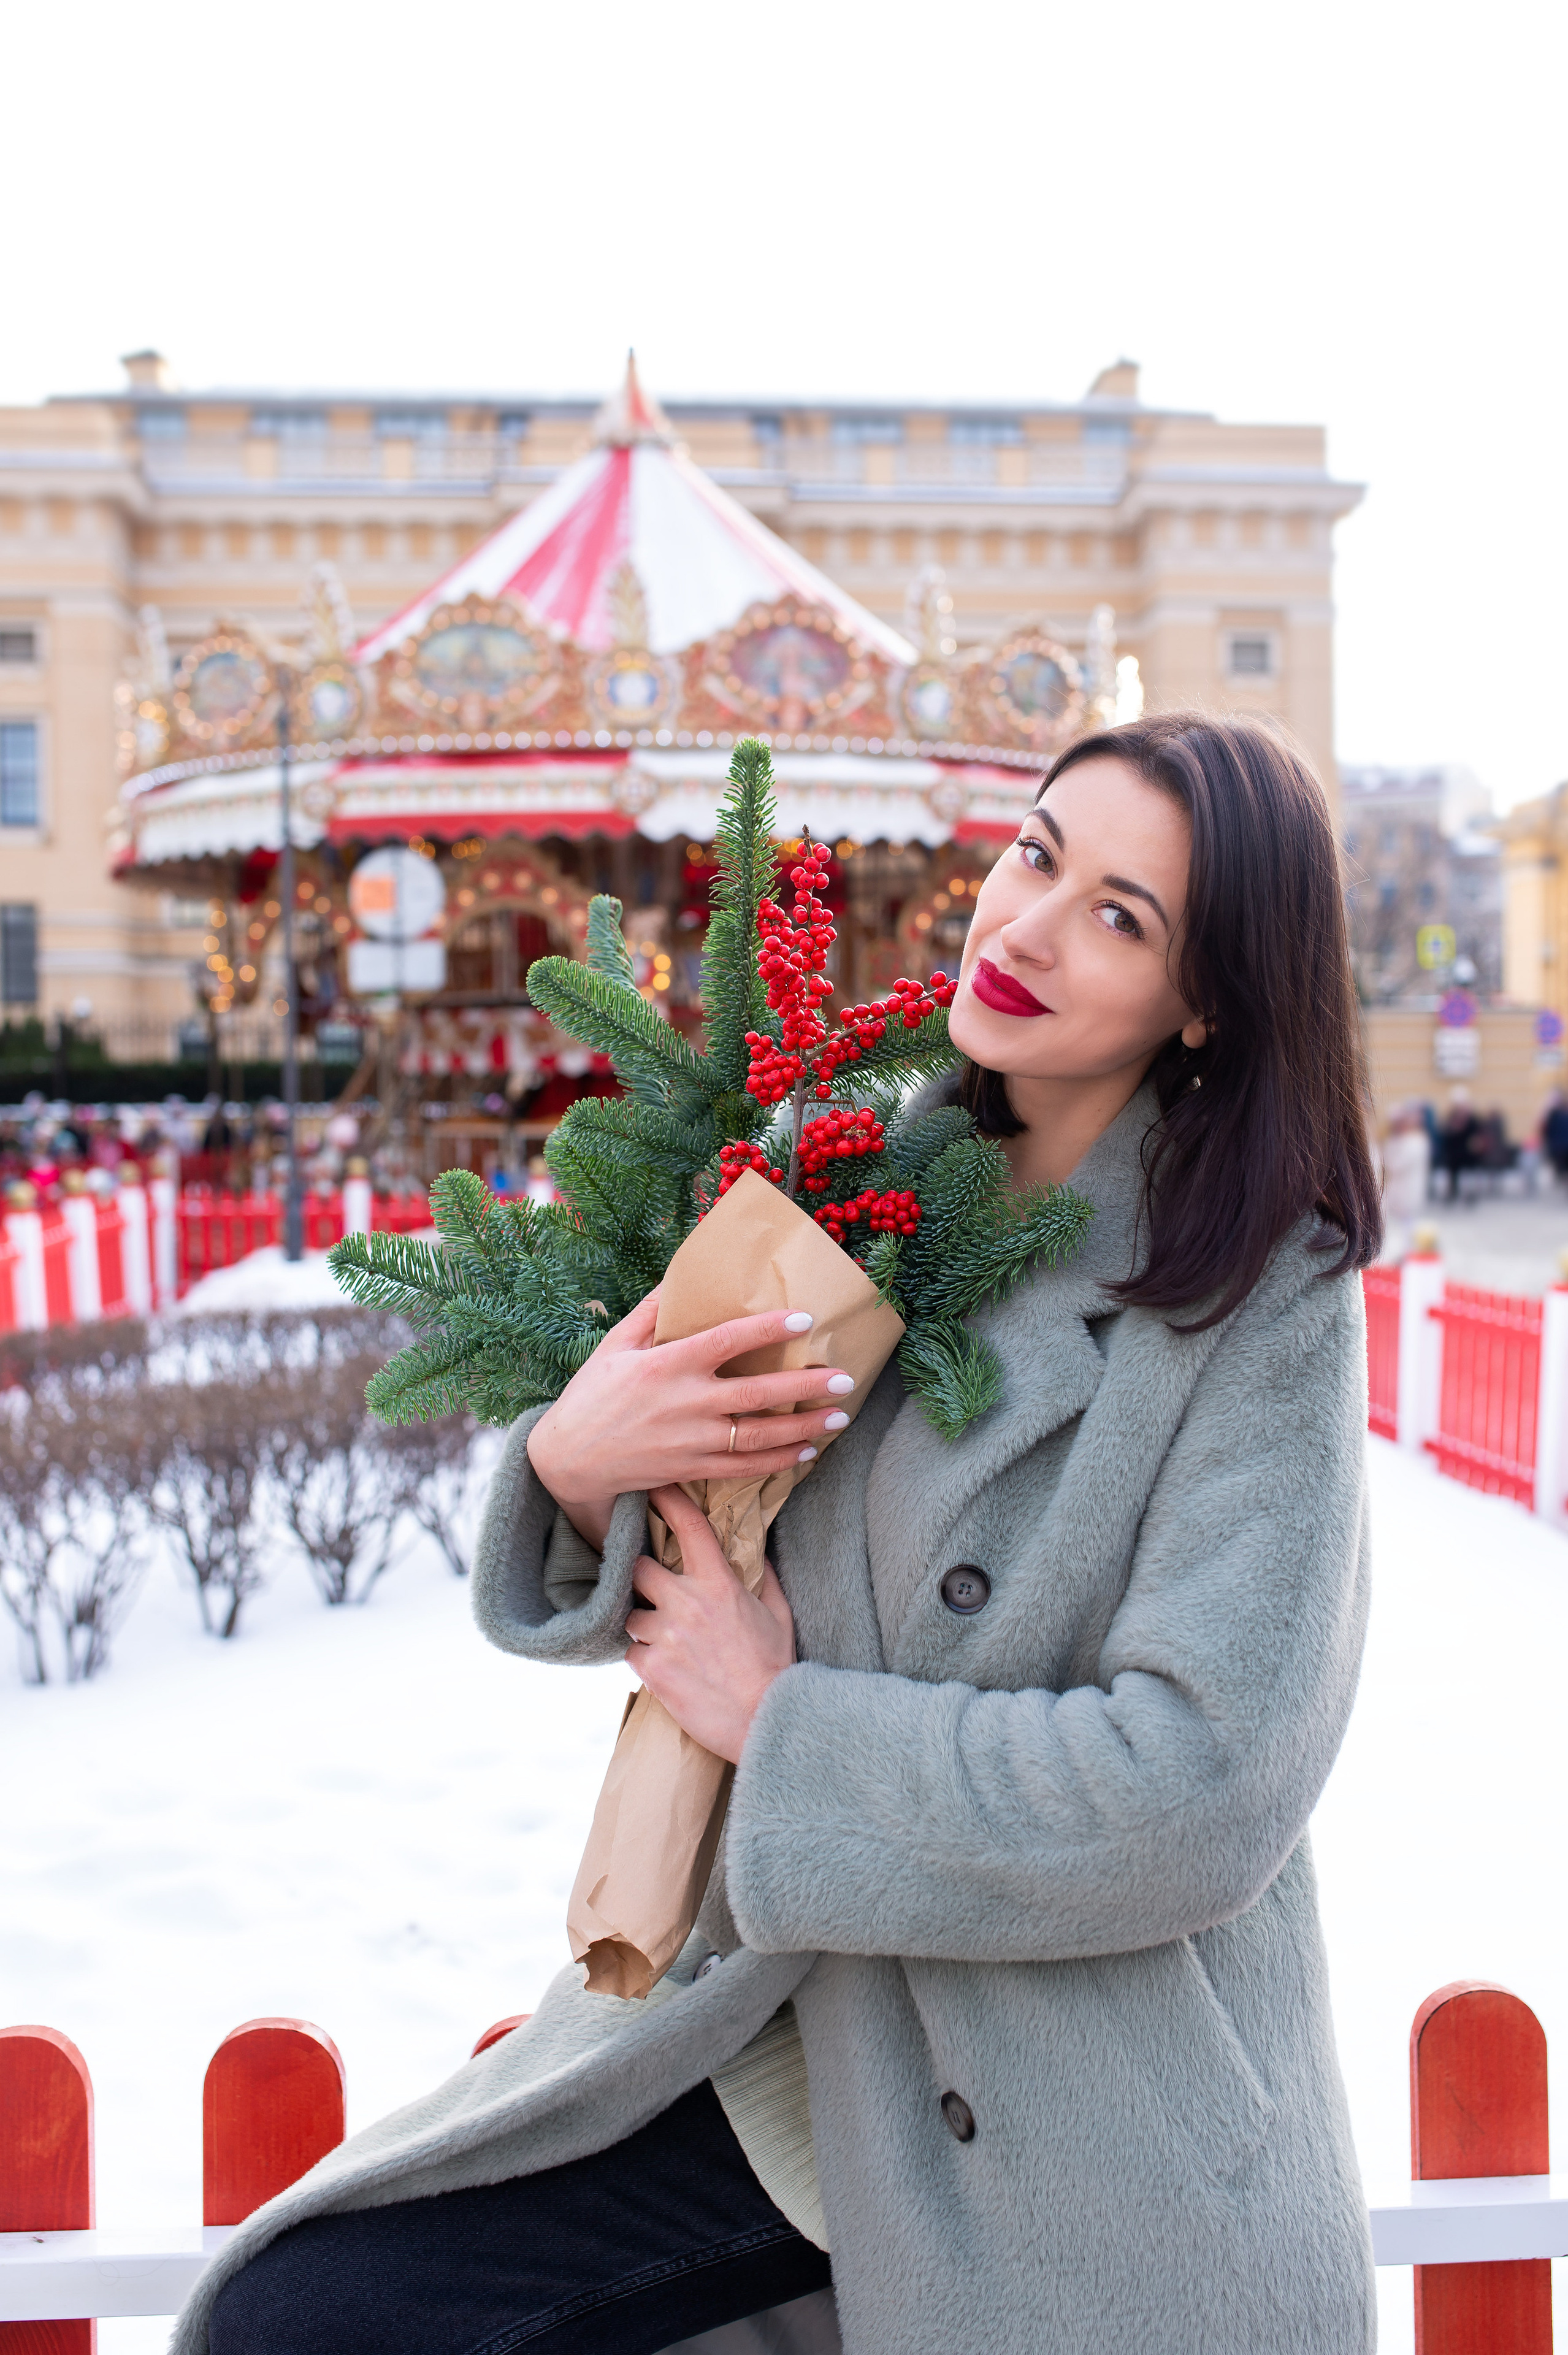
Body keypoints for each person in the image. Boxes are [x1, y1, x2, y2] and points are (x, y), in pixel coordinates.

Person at [189, 714, 1382, 2355]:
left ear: (1209, 999)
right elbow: (709, 1525)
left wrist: (787, 1730)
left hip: (1076, 2094)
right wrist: (586, 1462)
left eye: (1123, 914)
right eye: (1036, 855)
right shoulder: (845, 1191)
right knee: (306, 2318)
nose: (1026, 927)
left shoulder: (1259, 1295)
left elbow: (1206, 1786)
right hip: (779, 2024)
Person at [1380, 1100, 1431, 1255]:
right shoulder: (1394, 1141)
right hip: (1396, 1188)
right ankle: (1398, 1252)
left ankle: (1408, 1252)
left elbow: (1396, 1165)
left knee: (1409, 1223)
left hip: (1409, 1188)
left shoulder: (1416, 1142)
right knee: (1395, 1223)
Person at [1432, 1086, 1480, 1201]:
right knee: (1453, 1177)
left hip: (1467, 1155)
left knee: (1468, 1177)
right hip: (1454, 1154)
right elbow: (1445, 1133)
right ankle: (1452, 1195)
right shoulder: (1452, 1117)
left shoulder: (1472, 1119)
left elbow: (1477, 1135)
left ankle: (1469, 1196)